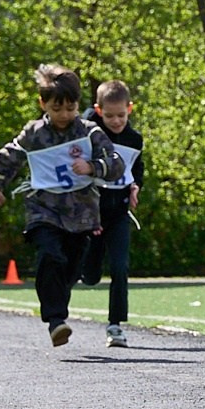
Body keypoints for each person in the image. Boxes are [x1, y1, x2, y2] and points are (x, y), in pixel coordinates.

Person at [0, 64, 125, 346]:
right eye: (56, 108)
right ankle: (55, 320)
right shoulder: (34, 134)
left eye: (70, 108)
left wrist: (92, 167)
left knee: (70, 270)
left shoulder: (90, 132)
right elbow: (7, 157)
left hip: (82, 215)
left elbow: (116, 164)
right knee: (50, 256)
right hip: (44, 210)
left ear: (78, 105)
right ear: (43, 104)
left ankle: (57, 308)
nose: (64, 115)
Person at [79, 80, 142, 347]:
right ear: (98, 110)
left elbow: (137, 168)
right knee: (91, 276)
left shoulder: (134, 139)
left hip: (118, 212)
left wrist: (136, 185)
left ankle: (115, 325)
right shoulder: (89, 133)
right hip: (92, 214)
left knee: (120, 265)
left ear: (130, 109)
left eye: (121, 115)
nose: (116, 121)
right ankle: (85, 269)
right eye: (109, 116)